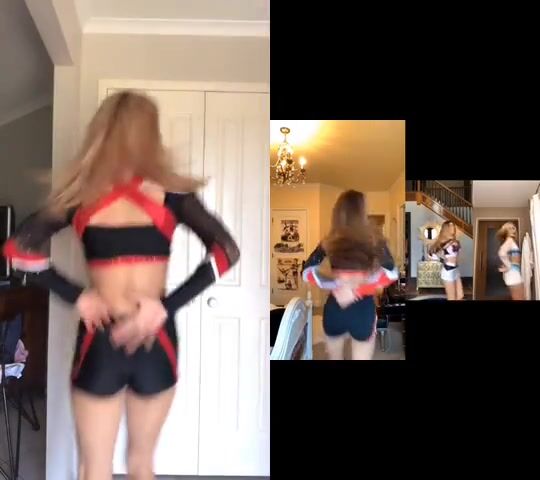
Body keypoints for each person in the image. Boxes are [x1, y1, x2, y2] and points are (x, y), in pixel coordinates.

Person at [2, 90, 240, 479]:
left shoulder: (80, 195)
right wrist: (166, 307)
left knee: (94, 468)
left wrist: (77, 297)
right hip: (156, 338)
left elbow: (17, 249)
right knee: (141, 465)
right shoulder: (173, 195)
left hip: (101, 339)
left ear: (104, 132)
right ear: (150, 135)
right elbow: (227, 251)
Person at [302, 190, 398, 360]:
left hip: (335, 308)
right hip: (362, 310)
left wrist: (337, 285)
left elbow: (307, 272)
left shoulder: (329, 241)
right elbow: (391, 274)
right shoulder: (374, 239)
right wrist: (357, 291)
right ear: (362, 212)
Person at [428, 220, 463, 300]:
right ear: (446, 229)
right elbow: (430, 254)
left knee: (460, 295)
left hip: (456, 270)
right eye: (451, 226)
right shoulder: (443, 243)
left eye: (453, 226)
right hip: (448, 272)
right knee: (452, 298)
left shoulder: (455, 241)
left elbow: (457, 256)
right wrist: (443, 259)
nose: (453, 228)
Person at [497, 222, 525, 300]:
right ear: (505, 231)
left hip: (513, 274)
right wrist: (508, 266)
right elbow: (501, 253)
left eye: (514, 228)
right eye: (510, 228)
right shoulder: (510, 240)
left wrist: (507, 265)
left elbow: (508, 256)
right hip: (513, 274)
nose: (513, 230)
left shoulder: (509, 241)